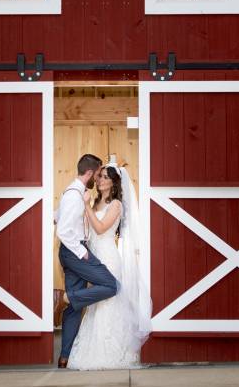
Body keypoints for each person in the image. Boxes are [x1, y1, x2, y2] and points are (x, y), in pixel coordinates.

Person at [66, 159, 152, 370]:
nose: (100, 179)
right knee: (96, 304)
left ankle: (111, 351)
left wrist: (86, 206)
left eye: (105, 177)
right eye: (100, 176)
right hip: (92, 257)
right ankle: (91, 348)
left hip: (108, 257)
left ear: (113, 183)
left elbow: (102, 228)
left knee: (109, 302)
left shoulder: (116, 205)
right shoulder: (95, 202)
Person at [55, 154, 118, 369]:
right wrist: (82, 253)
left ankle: (64, 358)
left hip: (74, 251)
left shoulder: (74, 192)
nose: (99, 178)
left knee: (74, 308)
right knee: (110, 285)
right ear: (90, 173)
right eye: (98, 174)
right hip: (76, 252)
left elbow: (59, 218)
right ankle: (63, 296)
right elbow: (63, 231)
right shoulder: (74, 195)